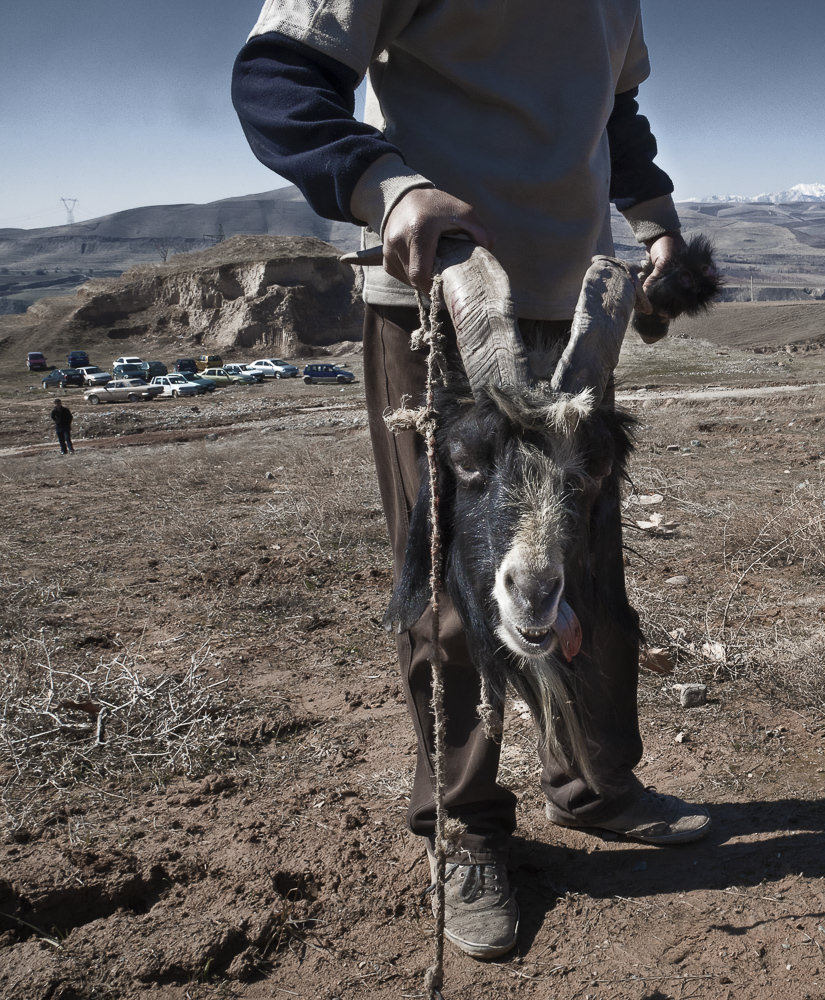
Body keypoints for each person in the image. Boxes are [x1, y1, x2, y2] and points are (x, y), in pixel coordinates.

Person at [231, 0, 707, 961]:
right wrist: (386, 185)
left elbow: (613, 112)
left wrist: (655, 224)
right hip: (440, 313)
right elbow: (277, 77)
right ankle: (469, 830)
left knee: (581, 571)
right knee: (455, 590)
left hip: (577, 316)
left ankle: (595, 786)